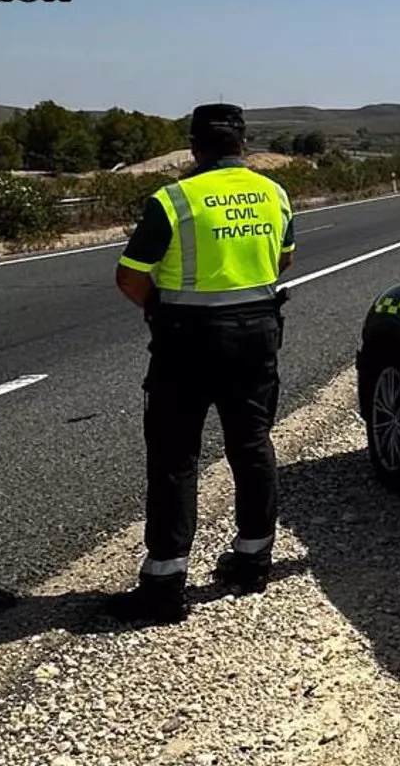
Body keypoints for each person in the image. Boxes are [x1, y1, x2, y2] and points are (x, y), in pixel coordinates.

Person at [108, 103, 295, 624]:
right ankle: (253, 561)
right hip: (256, 333)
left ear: (194, 146)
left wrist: (160, 307)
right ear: (243, 142)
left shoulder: (173, 199)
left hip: (186, 339)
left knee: (174, 457)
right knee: (252, 445)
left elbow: (130, 276)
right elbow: (284, 259)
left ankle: (165, 585)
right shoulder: (274, 193)